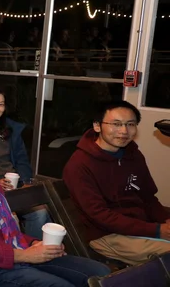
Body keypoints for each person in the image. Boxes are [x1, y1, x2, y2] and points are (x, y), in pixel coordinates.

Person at [0, 112, 109, 287]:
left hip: (11, 255)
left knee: (101, 274)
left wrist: (34, 243)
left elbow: (2, 230)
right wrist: (26, 255)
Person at [63, 100, 170, 265]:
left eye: (130, 124)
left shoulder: (133, 155)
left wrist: (164, 221)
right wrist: (156, 230)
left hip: (140, 226)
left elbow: (148, 197)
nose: (124, 131)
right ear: (97, 126)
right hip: (106, 235)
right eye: (116, 124)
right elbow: (100, 215)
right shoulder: (79, 164)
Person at [0, 85, 49, 239]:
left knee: (40, 212)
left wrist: (26, 182)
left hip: (13, 186)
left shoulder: (9, 129)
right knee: (11, 218)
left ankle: (34, 250)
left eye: (1, 104)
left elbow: (22, 160)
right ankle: (19, 255)